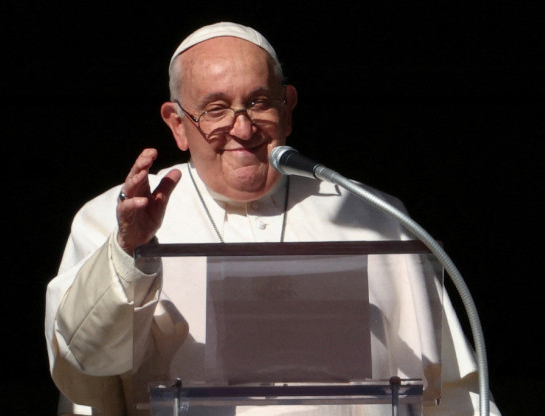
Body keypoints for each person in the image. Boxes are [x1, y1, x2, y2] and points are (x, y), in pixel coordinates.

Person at [45, 22, 500, 416]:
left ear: (287, 108)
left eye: (258, 102)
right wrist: (129, 253)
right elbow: (87, 361)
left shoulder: (373, 216)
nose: (242, 129)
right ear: (178, 124)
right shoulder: (113, 219)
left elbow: (452, 392)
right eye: (216, 110)